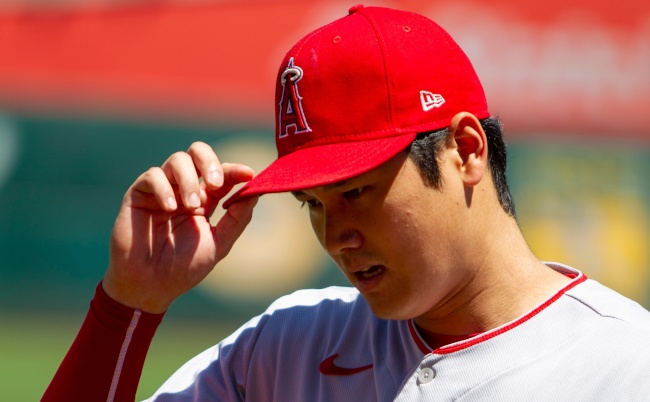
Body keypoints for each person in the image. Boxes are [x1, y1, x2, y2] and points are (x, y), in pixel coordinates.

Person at [43, 5, 650, 402]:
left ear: (465, 151)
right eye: (311, 202)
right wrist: (129, 304)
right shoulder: (286, 348)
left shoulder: (627, 366)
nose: (336, 236)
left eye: (356, 191)